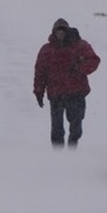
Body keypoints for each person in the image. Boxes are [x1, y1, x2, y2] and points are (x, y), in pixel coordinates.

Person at [33, 18, 100, 147]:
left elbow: (94, 61)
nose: (60, 33)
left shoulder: (80, 46)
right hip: (56, 95)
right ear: (53, 32)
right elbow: (40, 72)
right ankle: (58, 155)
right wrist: (39, 92)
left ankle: (72, 150)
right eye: (58, 31)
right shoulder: (46, 50)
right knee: (56, 131)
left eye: (63, 30)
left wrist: (79, 68)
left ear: (67, 31)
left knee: (76, 129)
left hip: (76, 94)